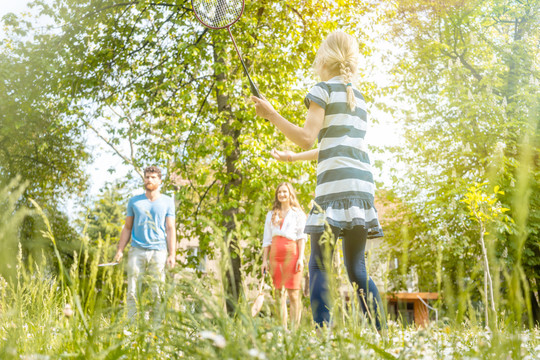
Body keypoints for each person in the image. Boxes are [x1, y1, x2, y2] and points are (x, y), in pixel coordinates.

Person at [252, 31, 386, 330]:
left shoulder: (322, 90)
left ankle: (321, 331)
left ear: (325, 58)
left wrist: (270, 113)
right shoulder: (359, 98)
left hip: (334, 188)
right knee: (356, 268)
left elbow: (306, 137)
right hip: (361, 188)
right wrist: (292, 159)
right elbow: (335, 146)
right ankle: (383, 332)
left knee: (318, 264)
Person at [113, 166, 176, 319]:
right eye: (147, 177)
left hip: (159, 251)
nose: (149, 180)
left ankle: (157, 328)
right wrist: (120, 250)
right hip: (137, 250)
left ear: (160, 181)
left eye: (153, 177)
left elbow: (170, 229)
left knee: (157, 291)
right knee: (133, 290)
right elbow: (127, 227)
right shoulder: (134, 202)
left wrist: (172, 254)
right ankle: (131, 326)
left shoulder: (167, 201)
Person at [261, 182, 306, 329]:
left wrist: (300, 258)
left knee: (293, 294)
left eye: (285, 192)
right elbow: (266, 240)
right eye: (279, 192)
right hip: (275, 256)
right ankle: (283, 330)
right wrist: (264, 261)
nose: (282, 194)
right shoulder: (271, 215)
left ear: (290, 194)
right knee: (279, 294)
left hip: (292, 255)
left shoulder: (298, 214)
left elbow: (301, 237)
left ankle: (294, 331)